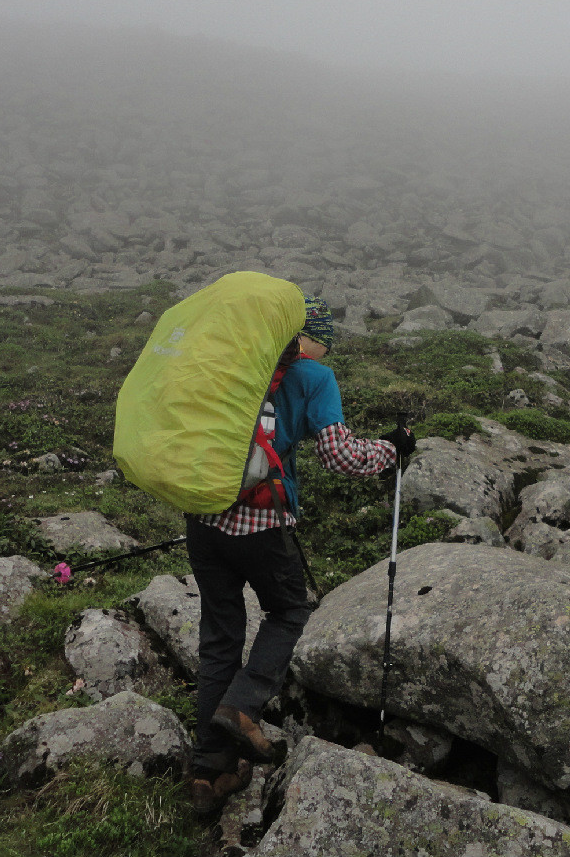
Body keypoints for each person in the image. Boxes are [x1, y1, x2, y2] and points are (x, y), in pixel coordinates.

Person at [186, 294, 416, 816]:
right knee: (289, 611)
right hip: (261, 523)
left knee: (220, 641)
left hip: (202, 518)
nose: (320, 350)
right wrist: (391, 448)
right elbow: (340, 456)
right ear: (306, 337)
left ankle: (207, 774)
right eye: (320, 340)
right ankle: (242, 708)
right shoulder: (314, 376)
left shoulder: (238, 359)